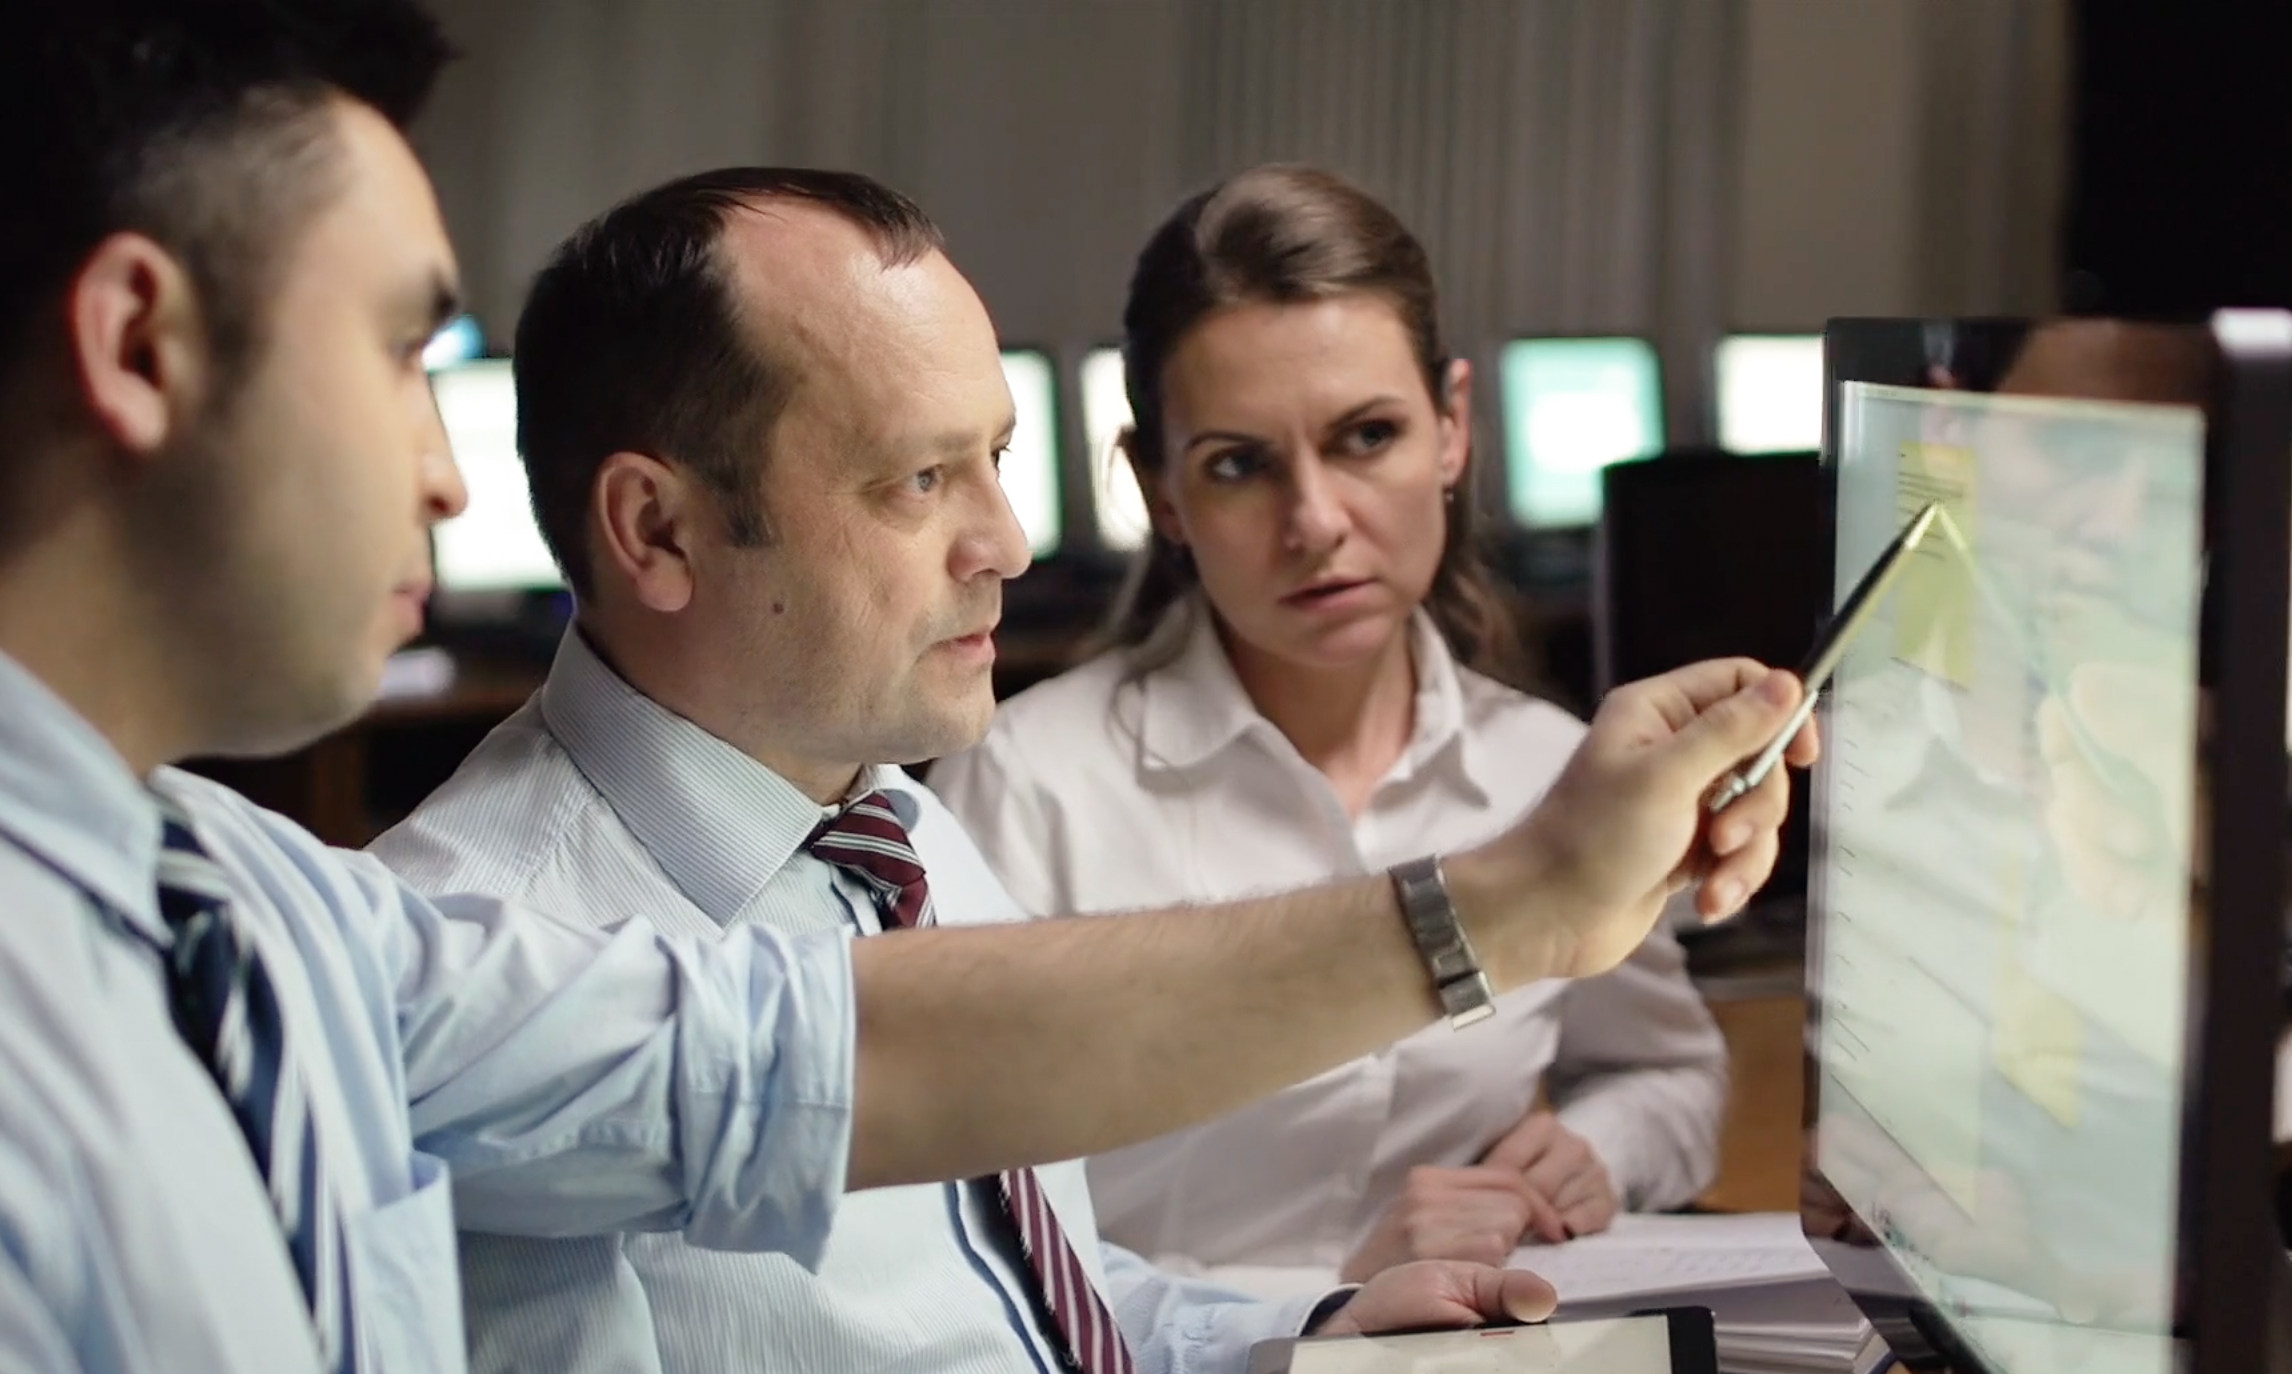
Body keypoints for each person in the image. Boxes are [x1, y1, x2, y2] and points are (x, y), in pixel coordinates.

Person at [0, 6, 1809, 1371]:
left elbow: (802, 1068)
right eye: (395, 353)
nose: (457, 474)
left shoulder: (251, 894)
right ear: (140, 343)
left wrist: (1517, 926)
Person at [367, 167, 1796, 1374]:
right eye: (919, 479)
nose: (1008, 540)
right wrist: (1511, 903)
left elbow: (1042, 1300)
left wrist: (1304, 1331)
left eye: (993, 457)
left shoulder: (890, 826)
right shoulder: (466, 958)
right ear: (658, 532)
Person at [927, 164, 1728, 1292]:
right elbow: (953, 1249)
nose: (1315, 522)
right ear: (1159, 491)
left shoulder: (1551, 774)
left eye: (1366, 437)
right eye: (1240, 465)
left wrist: (1602, 1151)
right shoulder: (1024, 792)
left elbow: (1668, 1074)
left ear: (1450, 431)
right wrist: (1329, 1298)